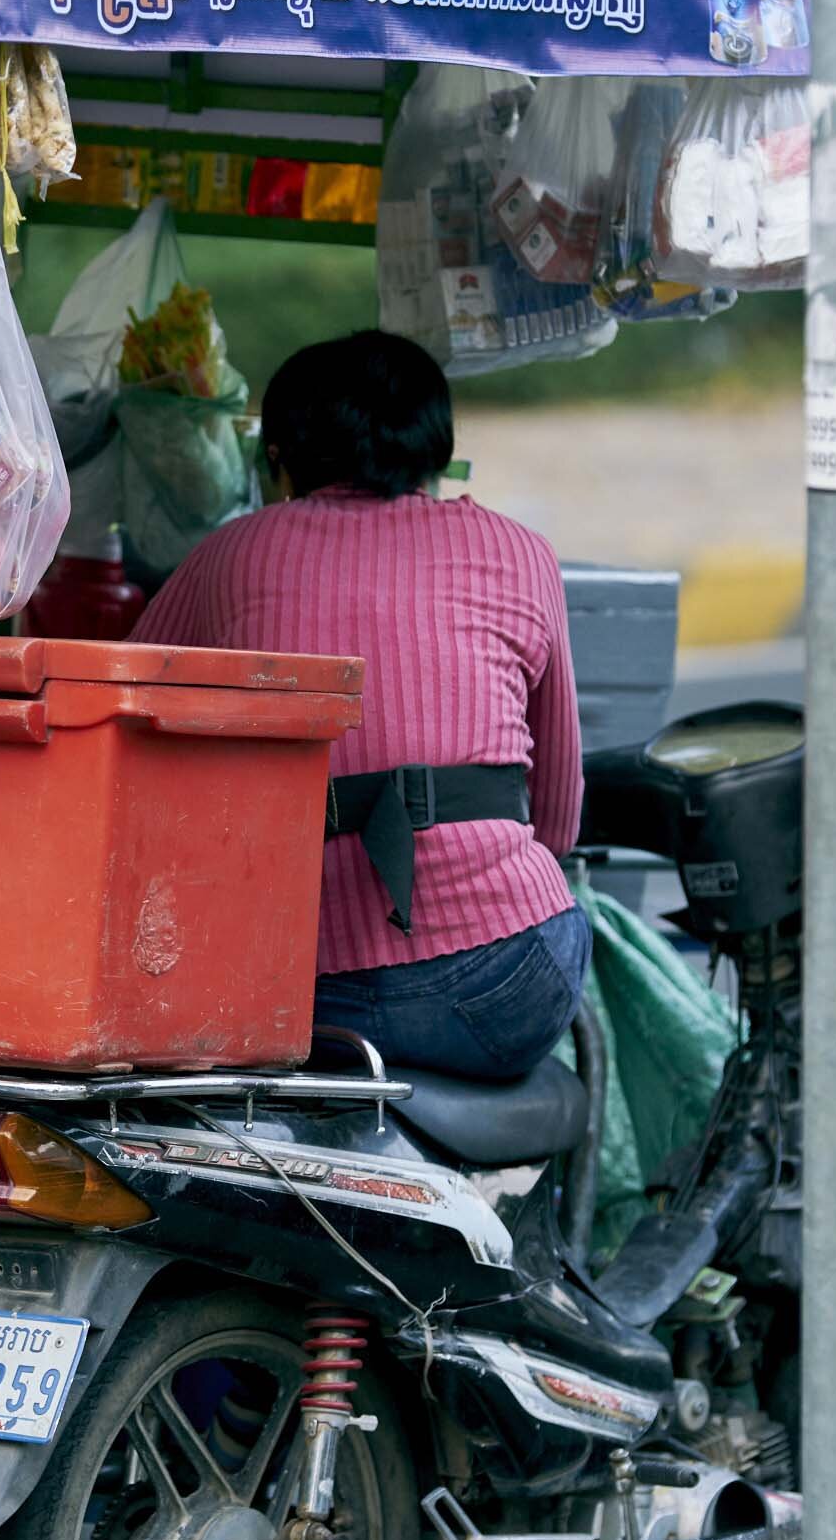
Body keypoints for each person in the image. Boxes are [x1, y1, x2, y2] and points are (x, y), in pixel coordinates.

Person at [131, 327, 589, 1081]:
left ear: (277, 459)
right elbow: (559, 816)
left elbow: (127, 720)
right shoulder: (520, 552)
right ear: (433, 450)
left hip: (296, 994)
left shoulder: (234, 553)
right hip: (499, 980)